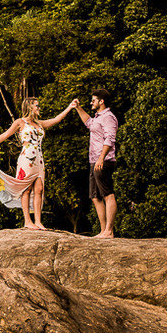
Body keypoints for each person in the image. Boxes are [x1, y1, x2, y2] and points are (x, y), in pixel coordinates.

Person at [0, 97, 76, 229]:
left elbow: (56, 120)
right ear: (29, 107)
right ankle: (27, 221)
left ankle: (38, 221)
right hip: (26, 159)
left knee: (39, 189)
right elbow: (5, 135)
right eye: (36, 106)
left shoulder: (39, 123)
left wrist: (70, 107)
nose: (39, 108)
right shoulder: (20, 122)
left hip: (39, 160)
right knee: (26, 190)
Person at [73, 88, 118, 237]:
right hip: (94, 161)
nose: (91, 102)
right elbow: (88, 123)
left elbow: (110, 139)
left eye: (93, 100)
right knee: (95, 196)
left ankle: (109, 231)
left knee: (107, 194)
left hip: (104, 160)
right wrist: (78, 108)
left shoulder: (109, 117)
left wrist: (101, 158)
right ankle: (103, 230)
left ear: (101, 101)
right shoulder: (98, 118)